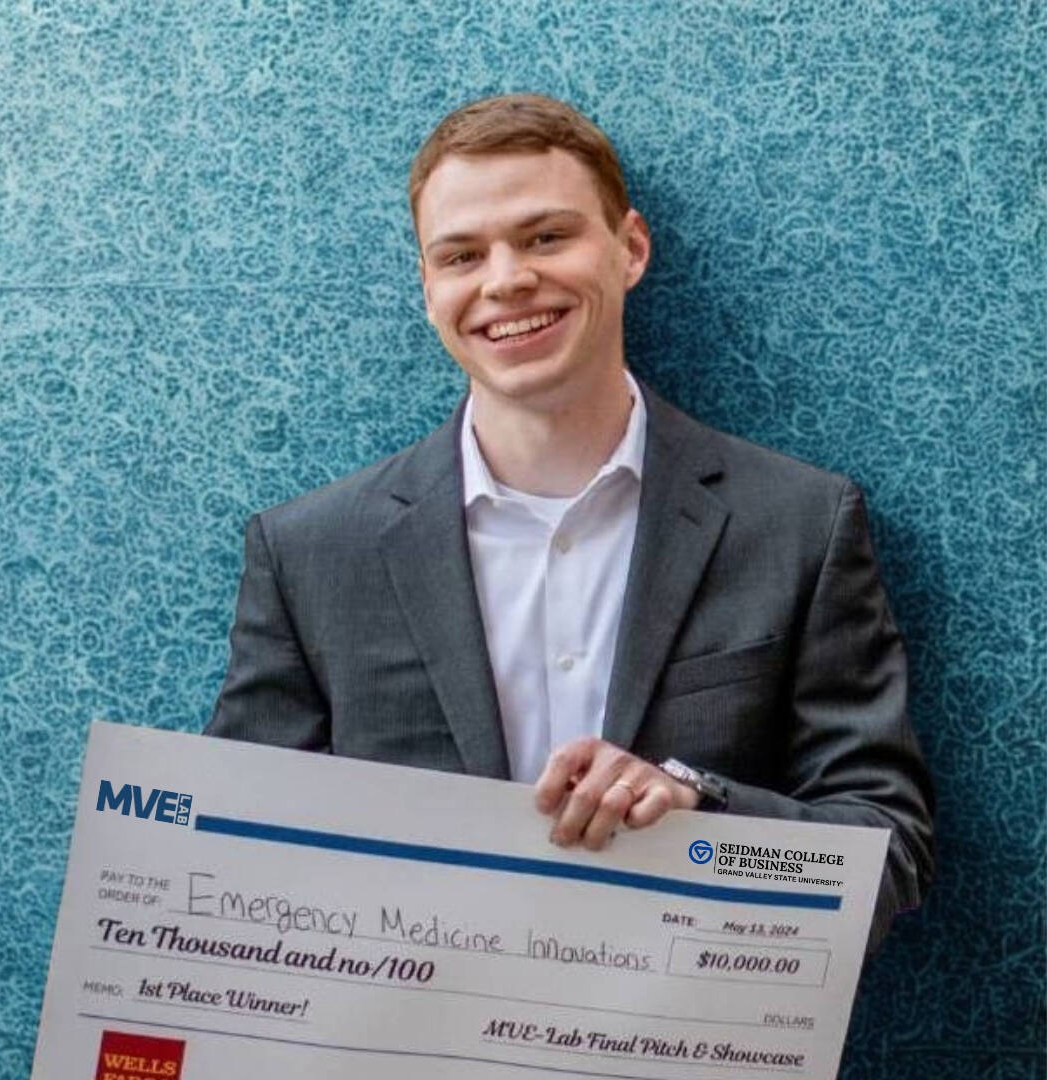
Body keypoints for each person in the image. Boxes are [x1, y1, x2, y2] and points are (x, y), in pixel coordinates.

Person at [206, 93, 933, 952]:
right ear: (427, 287)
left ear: (630, 248)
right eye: (461, 254)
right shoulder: (309, 555)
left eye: (547, 237)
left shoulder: (799, 524)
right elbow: (231, 855)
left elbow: (886, 850)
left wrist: (702, 815)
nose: (506, 279)